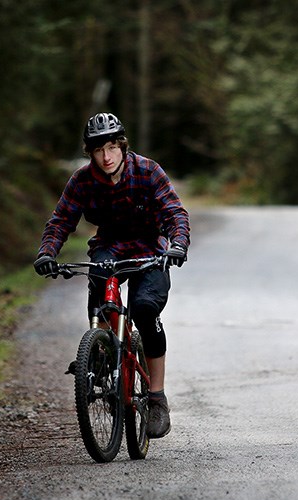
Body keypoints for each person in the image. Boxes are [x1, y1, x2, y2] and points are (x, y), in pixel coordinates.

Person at [33, 112, 190, 438]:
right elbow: (61, 220)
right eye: (98, 151)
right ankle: (103, 349)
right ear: (89, 153)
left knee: (145, 310)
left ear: (122, 146)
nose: (106, 157)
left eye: (111, 148)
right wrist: (47, 252)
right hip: (110, 248)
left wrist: (178, 244)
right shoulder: (83, 180)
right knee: (100, 286)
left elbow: (175, 212)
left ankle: (157, 398)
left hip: (151, 248)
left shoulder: (147, 171)